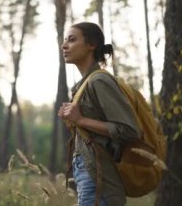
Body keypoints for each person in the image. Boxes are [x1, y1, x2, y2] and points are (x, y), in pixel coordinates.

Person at [58, 22, 140, 206]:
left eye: (72, 40)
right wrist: (72, 120)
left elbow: (129, 130)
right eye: (65, 40)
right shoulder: (84, 84)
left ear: (91, 44)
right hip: (89, 175)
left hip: (99, 180)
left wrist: (80, 119)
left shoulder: (99, 81)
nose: (64, 45)